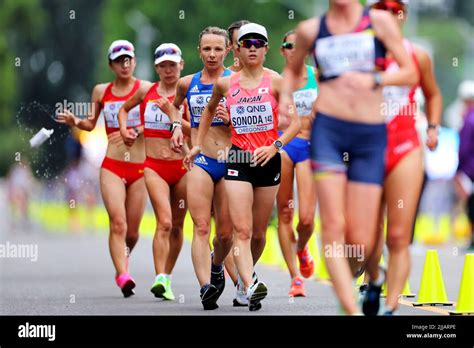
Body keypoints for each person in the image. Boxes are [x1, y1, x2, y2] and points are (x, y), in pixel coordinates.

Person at [280, 0, 417, 314]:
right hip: (328, 132)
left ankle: (372, 273)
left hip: (369, 136)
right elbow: (292, 71)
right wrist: (286, 97)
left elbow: (409, 71)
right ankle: (350, 309)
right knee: (332, 224)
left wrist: (377, 79)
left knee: (361, 235)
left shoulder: (379, 22)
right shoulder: (311, 29)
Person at [186, 23, 301, 311]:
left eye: (258, 43)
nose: (252, 48)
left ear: (265, 49)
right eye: (246, 43)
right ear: (237, 49)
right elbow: (208, 111)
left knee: (260, 233)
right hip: (237, 159)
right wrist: (198, 143)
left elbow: (295, 123)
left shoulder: (275, 82)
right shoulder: (226, 84)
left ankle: (241, 285)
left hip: (268, 160)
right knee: (242, 230)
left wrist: (274, 146)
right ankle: (250, 284)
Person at [360, 0, 442, 316]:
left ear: (403, 16)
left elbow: (433, 94)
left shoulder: (416, 54)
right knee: (364, 235)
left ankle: (390, 308)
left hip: (405, 148)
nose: (389, 15)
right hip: (366, 149)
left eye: (396, 10)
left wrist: (432, 127)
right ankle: (375, 276)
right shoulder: (358, 53)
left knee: (397, 235)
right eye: (382, 9)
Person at [56, 40, 147, 298]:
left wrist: (136, 131)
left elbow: (156, 122)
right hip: (112, 167)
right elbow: (90, 123)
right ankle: (122, 274)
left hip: (140, 168)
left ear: (134, 62)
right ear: (111, 65)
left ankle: (124, 259)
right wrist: (76, 121)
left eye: (128, 59)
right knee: (118, 223)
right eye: (119, 60)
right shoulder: (101, 91)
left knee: (132, 231)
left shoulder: (145, 89)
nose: (124, 64)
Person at [168, 27, 235, 310]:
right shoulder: (187, 83)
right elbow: (174, 106)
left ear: (227, 51)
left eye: (218, 49)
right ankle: (206, 287)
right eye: (206, 49)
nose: (212, 54)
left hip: (231, 160)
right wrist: (175, 126)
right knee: (201, 226)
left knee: (225, 234)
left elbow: (256, 122)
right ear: (199, 51)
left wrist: (232, 118)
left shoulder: (237, 82)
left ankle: (217, 266)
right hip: (201, 160)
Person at [118, 43, 188, 300]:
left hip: (183, 167)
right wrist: (125, 130)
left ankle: (167, 277)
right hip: (154, 166)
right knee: (165, 221)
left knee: (179, 225)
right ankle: (159, 277)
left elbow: (198, 130)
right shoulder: (147, 91)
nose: (168, 70)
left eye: (173, 64)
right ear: (157, 68)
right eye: (163, 65)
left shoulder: (188, 92)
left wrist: (176, 120)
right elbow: (124, 109)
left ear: (181, 65)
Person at [277, 30, 319, 297]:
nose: (293, 49)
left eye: (298, 45)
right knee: (284, 214)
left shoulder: (319, 76)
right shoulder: (275, 82)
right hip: (282, 145)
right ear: (282, 50)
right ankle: (295, 278)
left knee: (305, 219)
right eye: (288, 45)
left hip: (310, 146)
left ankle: (302, 246)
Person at [455, 80, 474, 252]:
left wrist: (459, 170)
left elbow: (464, 148)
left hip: (470, 170)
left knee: (471, 206)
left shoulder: (469, 119)